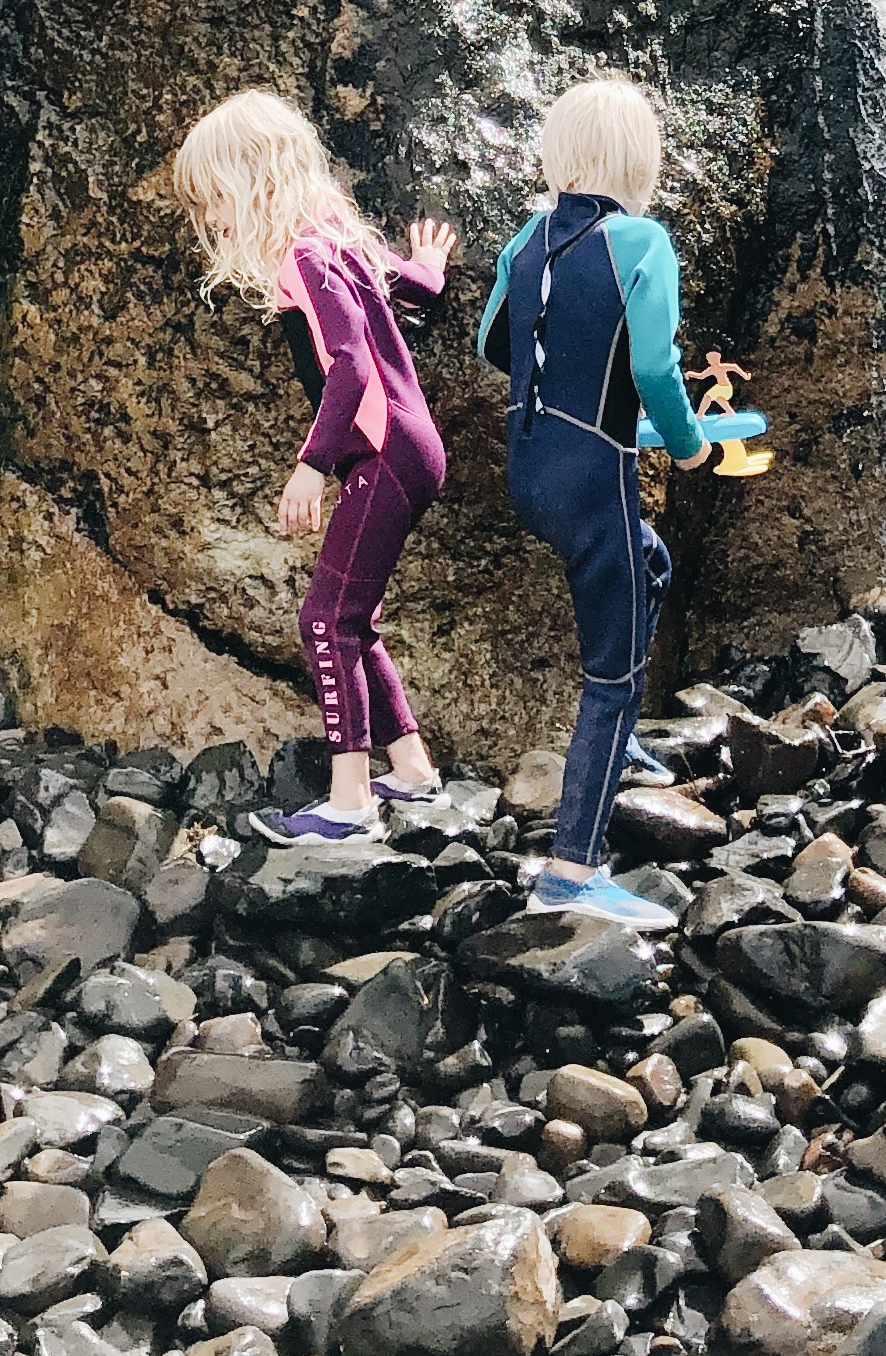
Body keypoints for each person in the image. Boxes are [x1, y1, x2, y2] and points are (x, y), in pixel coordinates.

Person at [171, 87, 454, 845]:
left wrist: (311, 466)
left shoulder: (304, 253)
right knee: (355, 619)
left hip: (384, 453)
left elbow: (354, 366)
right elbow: (408, 292)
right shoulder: (336, 234)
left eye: (215, 202)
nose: (214, 222)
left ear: (251, 181)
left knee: (323, 621)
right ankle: (415, 773)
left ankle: (350, 801)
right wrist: (429, 267)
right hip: (412, 451)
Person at [479, 72, 707, 929]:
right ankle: (573, 871)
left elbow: (496, 345)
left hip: (530, 467)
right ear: (637, 161)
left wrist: (578, 406)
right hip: (593, 474)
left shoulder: (526, 240)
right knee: (610, 677)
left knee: (650, 559)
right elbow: (653, 369)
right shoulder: (644, 243)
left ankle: (621, 750)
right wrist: (682, 445)